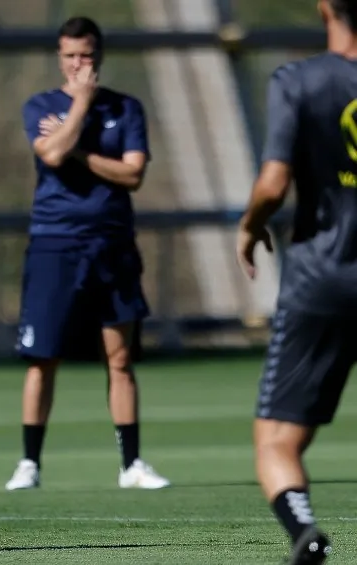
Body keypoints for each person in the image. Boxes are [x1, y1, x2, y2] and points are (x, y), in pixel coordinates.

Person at [4, 16, 169, 491]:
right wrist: (80, 108)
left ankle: (131, 465)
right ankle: (29, 464)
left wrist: (77, 148)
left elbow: (133, 174)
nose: (81, 64)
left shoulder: (127, 108)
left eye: (88, 55)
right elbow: (50, 155)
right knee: (42, 357)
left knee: (119, 358)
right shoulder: (41, 104)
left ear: (100, 55)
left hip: (112, 242)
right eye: (72, 55)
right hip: (54, 242)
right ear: (61, 56)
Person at [237, 0, 357, 561]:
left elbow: (272, 183)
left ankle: (304, 532)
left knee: (278, 439)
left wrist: (251, 224)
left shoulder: (298, 81)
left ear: (325, 6)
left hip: (321, 277)